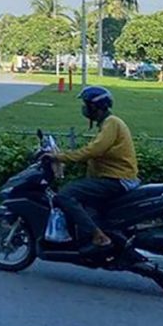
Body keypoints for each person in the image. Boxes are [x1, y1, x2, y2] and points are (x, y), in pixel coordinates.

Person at [53, 86, 139, 251]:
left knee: (65, 195)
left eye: (86, 105)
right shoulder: (107, 124)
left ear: (95, 106)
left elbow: (94, 150)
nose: (84, 109)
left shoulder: (112, 123)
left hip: (116, 179)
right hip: (112, 178)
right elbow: (96, 152)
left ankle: (99, 237)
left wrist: (60, 157)